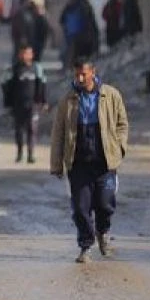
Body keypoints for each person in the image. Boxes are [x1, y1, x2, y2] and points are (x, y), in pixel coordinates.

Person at [50, 57, 130, 264]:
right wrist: (56, 163)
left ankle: (103, 232)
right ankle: (85, 245)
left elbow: (122, 124)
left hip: (105, 163)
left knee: (105, 203)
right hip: (79, 164)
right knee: (80, 208)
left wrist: (119, 147)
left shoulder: (110, 95)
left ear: (93, 72)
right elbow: (58, 133)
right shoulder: (67, 101)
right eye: (77, 74)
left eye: (83, 74)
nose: (80, 78)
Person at [4, 44, 47, 164]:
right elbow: (8, 88)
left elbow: (42, 85)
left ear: (32, 55)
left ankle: (30, 154)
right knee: (19, 130)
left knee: (32, 129)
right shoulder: (14, 69)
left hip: (33, 104)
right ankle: (19, 153)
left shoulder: (37, 68)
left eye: (28, 53)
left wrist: (43, 101)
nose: (25, 56)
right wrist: (8, 104)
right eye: (23, 53)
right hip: (18, 104)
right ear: (19, 55)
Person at [59, 0, 98, 65]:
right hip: (85, 36)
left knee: (72, 54)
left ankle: (70, 66)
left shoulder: (70, 7)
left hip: (73, 36)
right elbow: (91, 23)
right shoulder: (86, 6)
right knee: (84, 56)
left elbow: (61, 20)